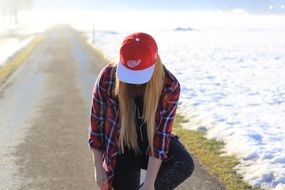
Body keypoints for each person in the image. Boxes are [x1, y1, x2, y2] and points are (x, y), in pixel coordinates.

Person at [88, 32, 194, 190]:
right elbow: (96, 126)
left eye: (140, 75)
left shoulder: (169, 86)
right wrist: (98, 167)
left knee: (183, 163)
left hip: (151, 144)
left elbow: (161, 138)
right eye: (129, 75)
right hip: (122, 147)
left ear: (154, 63)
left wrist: (150, 184)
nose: (134, 82)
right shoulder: (107, 77)